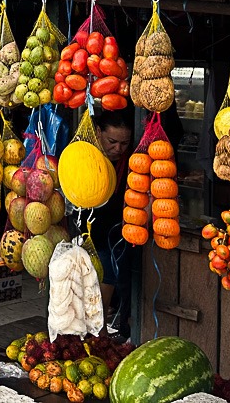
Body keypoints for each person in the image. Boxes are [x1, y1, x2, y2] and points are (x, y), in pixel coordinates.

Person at [89, 109, 135, 335]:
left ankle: (102, 329)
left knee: (111, 275)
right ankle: (99, 329)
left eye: (124, 143)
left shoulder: (132, 161)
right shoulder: (87, 157)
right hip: (92, 229)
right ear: (98, 132)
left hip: (119, 232)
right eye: (112, 141)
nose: (118, 149)